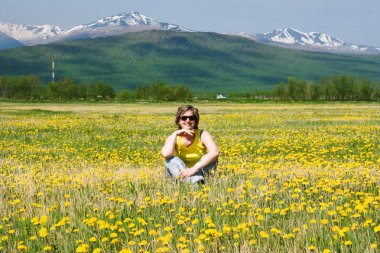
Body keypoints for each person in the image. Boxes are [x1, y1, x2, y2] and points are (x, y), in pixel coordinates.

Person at [161, 105, 219, 185]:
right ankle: (195, 182)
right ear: (178, 121)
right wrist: (175, 133)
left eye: (191, 118)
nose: (188, 121)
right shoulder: (173, 137)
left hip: (199, 171)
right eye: (184, 118)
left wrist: (193, 169)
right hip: (180, 173)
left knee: (213, 157)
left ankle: (191, 182)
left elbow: (215, 152)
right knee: (170, 160)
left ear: (196, 120)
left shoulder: (203, 134)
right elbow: (166, 154)